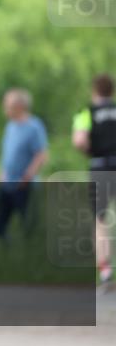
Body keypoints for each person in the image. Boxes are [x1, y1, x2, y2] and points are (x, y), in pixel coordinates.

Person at [72, 73, 116, 290]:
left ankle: (105, 271)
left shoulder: (86, 112)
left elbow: (79, 140)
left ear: (94, 90)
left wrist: (90, 150)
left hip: (100, 167)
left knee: (101, 221)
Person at [0, 88, 49, 242]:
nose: (5, 108)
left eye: (8, 105)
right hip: (7, 183)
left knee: (28, 224)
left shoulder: (34, 126)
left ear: (20, 106)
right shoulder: (10, 126)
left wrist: (27, 176)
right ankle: (5, 252)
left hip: (24, 185)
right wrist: (3, 172)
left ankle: (30, 255)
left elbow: (41, 155)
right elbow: (8, 153)